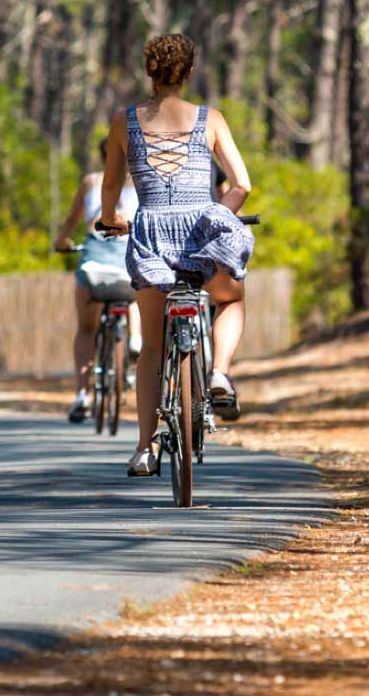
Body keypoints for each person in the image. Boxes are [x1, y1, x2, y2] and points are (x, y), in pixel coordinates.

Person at [99, 33, 254, 478]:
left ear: (149, 70)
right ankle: (220, 373)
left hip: (150, 232)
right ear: (188, 72)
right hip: (203, 231)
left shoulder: (123, 120)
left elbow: (111, 187)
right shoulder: (211, 119)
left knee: (151, 346)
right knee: (231, 298)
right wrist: (215, 217)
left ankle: (146, 449)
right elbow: (242, 183)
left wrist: (111, 218)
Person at [53, 139, 140, 423]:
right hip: (128, 265)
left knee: (86, 330)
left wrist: (62, 240)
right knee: (139, 290)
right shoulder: (142, 182)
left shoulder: (91, 182)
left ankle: (83, 395)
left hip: (94, 265)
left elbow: (71, 220)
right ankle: (136, 338)